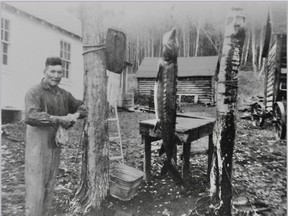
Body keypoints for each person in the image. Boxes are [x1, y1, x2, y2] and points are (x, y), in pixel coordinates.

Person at [24, 57, 87, 216]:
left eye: (60, 72)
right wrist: (59, 119)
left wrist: (75, 115)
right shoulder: (35, 91)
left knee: (49, 188)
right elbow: (31, 116)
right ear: (44, 71)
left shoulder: (64, 94)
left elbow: (83, 107)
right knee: (36, 192)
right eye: (52, 71)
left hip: (54, 147)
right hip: (37, 150)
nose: (56, 75)